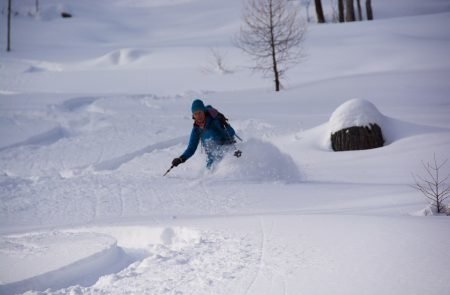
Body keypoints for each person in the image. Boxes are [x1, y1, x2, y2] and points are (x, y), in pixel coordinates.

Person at [172, 99, 237, 169]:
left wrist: (224, 127)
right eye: (195, 114)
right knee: (209, 176)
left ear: (203, 111)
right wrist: (181, 159)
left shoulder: (215, 121)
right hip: (212, 161)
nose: (198, 116)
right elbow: (191, 148)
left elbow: (232, 133)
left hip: (227, 157)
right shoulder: (196, 129)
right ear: (193, 115)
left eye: (199, 112)